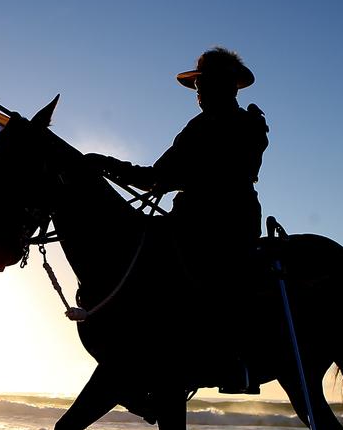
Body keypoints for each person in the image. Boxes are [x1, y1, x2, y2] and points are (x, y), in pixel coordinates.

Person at [85, 47, 269, 393]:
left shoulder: (247, 124)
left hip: (227, 219)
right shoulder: (197, 126)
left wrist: (171, 178)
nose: (198, 91)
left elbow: (227, 169)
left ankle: (232, 360)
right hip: (190, 216)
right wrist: (107, 164)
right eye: (198, 84)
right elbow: (158, 175)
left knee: (212, 274)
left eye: (204, 83)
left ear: (226, 86)